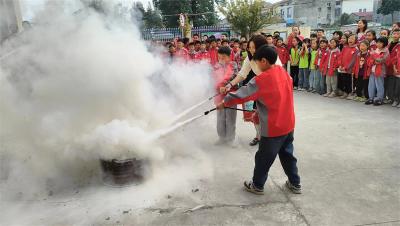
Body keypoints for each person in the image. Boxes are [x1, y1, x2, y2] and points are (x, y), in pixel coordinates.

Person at [216, 45, 301, 195]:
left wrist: (224, 103)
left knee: (263, 158)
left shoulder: (262, 79)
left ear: (264, 61)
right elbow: (277, 97)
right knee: (288, 155)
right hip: (288, 124)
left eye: (257, 63)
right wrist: (259, 110)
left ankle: (257, 185)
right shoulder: (283, 72)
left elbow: (242, 94)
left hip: (273, 128)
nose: (256, 66)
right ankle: (295, 183)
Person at [220, 35, 282, 146]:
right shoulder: (250, 58)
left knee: (268, 116)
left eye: (254, 47)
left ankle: (269, 138)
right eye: (250, 47)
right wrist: (230, 84)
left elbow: (277, 76)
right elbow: (242, 74)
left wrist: (226, 102)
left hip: (272, 90)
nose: (251, 50)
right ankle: (259, 136)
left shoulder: (272, 59)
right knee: (256, 115)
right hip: (261, 88)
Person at [214, 46, 239, 145]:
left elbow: (235, 76)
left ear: (229, 56)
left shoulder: (234, 65)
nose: (221, 59)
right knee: (220, 118)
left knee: (231, 117)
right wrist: (219, 86)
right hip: (219, 95)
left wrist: (225, 85)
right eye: (219, 57)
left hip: (231, 95)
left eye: (223, 57)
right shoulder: (216, 66)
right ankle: (221, 138)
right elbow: (213, 78)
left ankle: (230, 138)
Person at [365, 37, 390, 106]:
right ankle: (371, 98)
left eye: (380, 43)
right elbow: (370, 60)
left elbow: (380, 60)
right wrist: (373, 59)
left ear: (384, 43)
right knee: (371, 84)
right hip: (372, 70)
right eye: (377, 42)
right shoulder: (376, 50)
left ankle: (379, 99)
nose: (378, 44)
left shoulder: (386, 51)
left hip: (380, 71)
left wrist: (373, 55)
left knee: (379, 85)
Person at [338, 34, 358, 99]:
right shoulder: (345, 48)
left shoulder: (356, 49)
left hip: (350, 70)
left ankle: (351, 93)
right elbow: (341, 56)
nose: (350, 40)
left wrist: (346, 67)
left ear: (355, 40)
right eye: (349, 38)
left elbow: (353, 60)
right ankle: (345, 92)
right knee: (344, 81)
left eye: (352, 38)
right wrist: (340, 65)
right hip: (342, 68)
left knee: (350, 82)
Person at [388, 28, 400, 107]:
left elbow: (397, 57)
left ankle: (397, 100)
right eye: (394, 34)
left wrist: (396, 66)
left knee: (398, 85)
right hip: (391, 67)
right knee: (392, 84)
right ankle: (393, 99)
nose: (395, 35)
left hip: (397, 67)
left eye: (397, 34)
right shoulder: (390, 44)